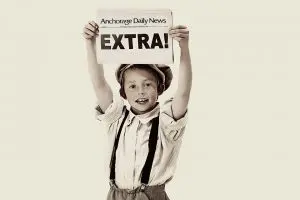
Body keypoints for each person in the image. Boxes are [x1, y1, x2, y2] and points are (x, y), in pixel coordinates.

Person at [82, 20, 192, 200]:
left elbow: (183, 94)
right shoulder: (116, 119)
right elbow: (99, 84)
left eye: (147, 84)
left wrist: (184, 48)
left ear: (160, 88)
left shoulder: (166, 123)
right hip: (115, 195)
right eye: (132, 86)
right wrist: (90, 43)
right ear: (123, 91)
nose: (140, 91)